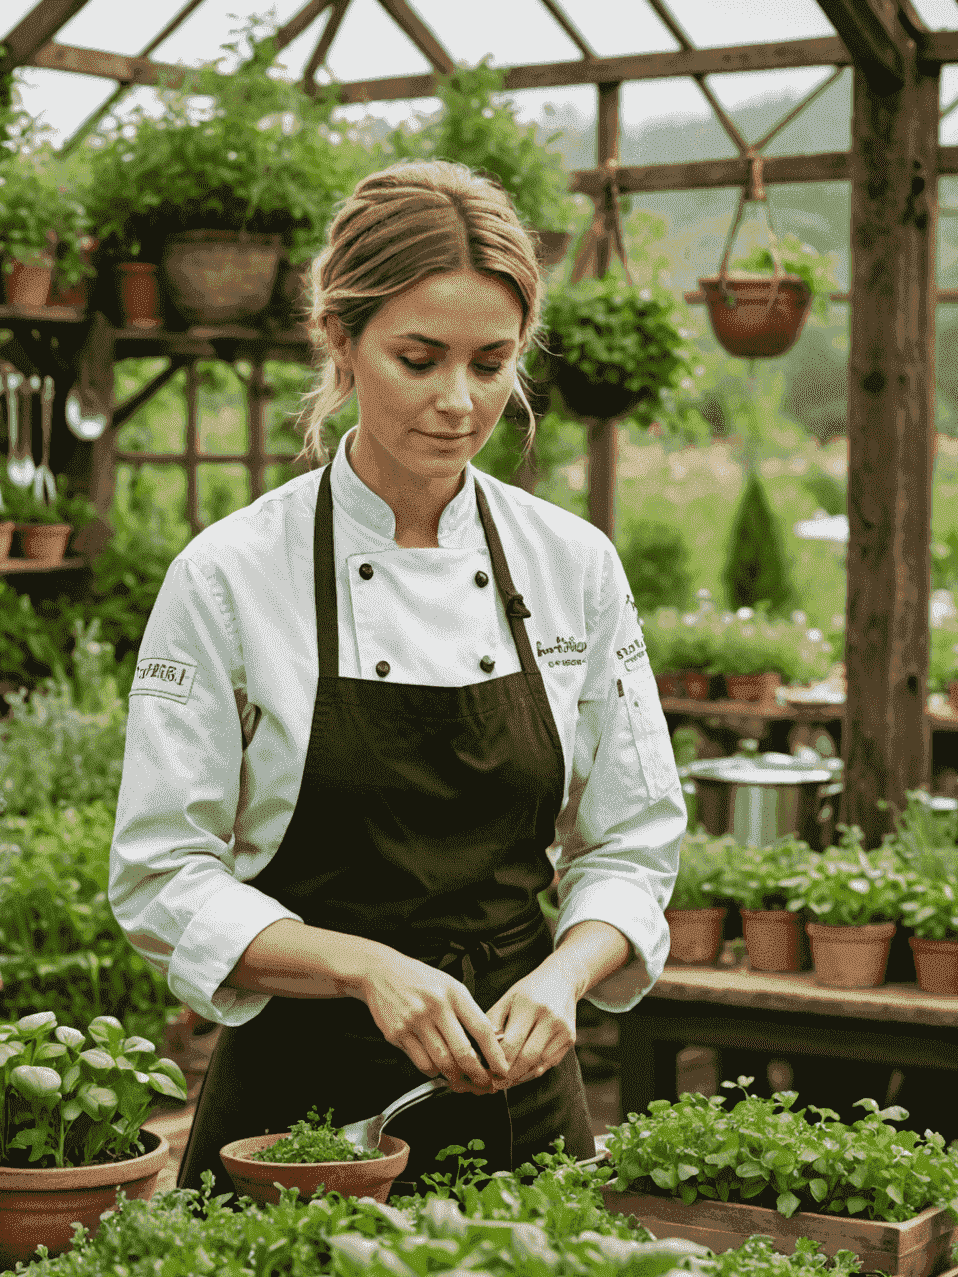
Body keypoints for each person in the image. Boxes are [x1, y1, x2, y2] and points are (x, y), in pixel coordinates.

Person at [110, 161, 686, 1190]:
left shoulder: (574, 567)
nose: (459, 402)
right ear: (340, 339)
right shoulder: (232, 574)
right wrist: (363, 967)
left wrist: (563, 976)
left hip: (517, 1088)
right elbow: (161, 875)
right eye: (418, 358)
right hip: (295, 1119)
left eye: (491, 361)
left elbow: (634, 843)